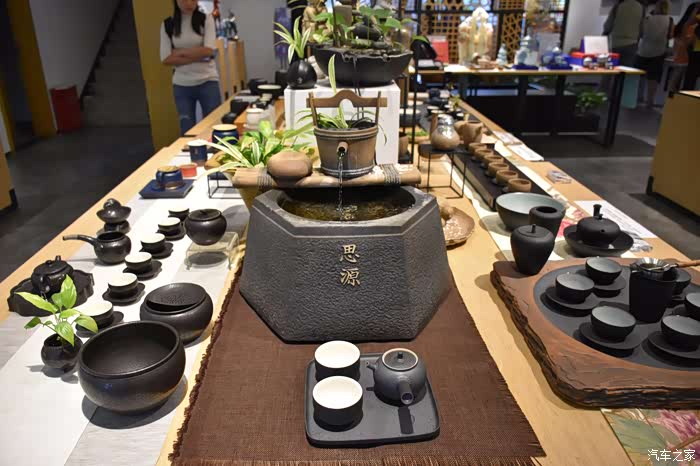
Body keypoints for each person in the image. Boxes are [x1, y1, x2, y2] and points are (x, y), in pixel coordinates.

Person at [160, 0, 221, 134]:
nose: (188, 3)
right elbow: (166, 58)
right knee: (187, 130)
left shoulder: (206, 19)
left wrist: (179, 52)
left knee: (214, 127)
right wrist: (199, 55)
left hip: (208, 80)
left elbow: (209, 50)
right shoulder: (168, 24)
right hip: (182, 84)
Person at [634, 0, 673, 107]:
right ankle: (649, 101)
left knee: (638, 77)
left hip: (643, 51)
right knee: (653, 78)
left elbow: (641, 34)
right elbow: (670, 35)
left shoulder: (647, 18)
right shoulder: (669, 20)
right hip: (658, 52)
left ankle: (636, 98)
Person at [603, 0, 644, 67]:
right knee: (626, 69)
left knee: (613, 67)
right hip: (632, 43)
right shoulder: (641, 7)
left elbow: (608, 25)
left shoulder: (618, 5)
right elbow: (642, 28)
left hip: (616, 43)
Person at [676, 3, 700, 89]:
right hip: (695, 52)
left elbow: (688, 23)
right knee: (690, 79)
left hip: (696, 52)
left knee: (689, 80)